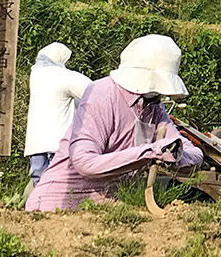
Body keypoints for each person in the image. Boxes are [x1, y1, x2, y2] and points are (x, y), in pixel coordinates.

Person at [25, 34, 204, 211]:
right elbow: (84, 162)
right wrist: (150, 152)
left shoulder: (154, 107)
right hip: (58, 206)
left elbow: (193, 153)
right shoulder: (103, 94)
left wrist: (174, 154)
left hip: (108, 206)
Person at [24, 43, 92, 188]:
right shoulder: (63, 75)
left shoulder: (35, 74)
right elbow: (93, 90)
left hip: (36, 141)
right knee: (58, 178)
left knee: (38, 177)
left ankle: (37, 205)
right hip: (57, 139)